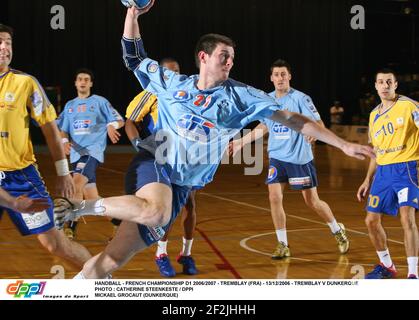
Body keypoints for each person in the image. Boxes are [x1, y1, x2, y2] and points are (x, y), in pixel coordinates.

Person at [54, 2, 373, 279]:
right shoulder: (172, 83)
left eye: (233, 57)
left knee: (116, 257)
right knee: (156, 213)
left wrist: (341, 144)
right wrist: (132, 12)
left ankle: (77, 286)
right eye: (224, 56)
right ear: (204, 57)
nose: (230, 62)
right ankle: (79, 207)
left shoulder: (241, 96)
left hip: (183, 185)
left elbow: (292, 119)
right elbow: (134, 55)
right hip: (157, 160)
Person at [229, 59, 349, 259]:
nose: (280, 78)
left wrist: (316, 132)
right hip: (277, 156)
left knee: (312, 201)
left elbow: (317, 120)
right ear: (271, 78)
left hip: (299, 157)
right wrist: (242, 142)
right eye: (276, 74)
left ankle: (338, 230)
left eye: (283, 74)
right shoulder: (266, 100)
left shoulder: (301, 98)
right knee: (274, 198)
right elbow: (264, 126)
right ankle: (283, 244)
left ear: (289, 76)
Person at [0, 24, 91, 267]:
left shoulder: (24, 83)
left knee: (56, 245)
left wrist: (63, 173)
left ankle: (102, 284)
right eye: (0, 42)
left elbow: (50, 129)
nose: (4, 48)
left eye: (8, 42)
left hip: (20, 178)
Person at [125, 57, 198, 277]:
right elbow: (130, 121)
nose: (173, 75)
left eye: (176, 71)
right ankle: (161, 254)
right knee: (167, 210)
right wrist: (139, 144)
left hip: (186, 156)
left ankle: (186, 254)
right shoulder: (150, 92)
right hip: (162, 156)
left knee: (191, 206)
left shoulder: (188, 93)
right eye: (168, 72)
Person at [357, 68, 419, 279]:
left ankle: (413, 273)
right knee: (371, 221)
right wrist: (367, 179)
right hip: (382, 172)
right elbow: (375, 151)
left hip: (406, 168)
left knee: (407, 219)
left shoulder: (409, 106)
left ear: (395, 85)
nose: (385, 85)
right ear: (375, 86)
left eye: (389, 82)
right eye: (381, 82)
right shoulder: (374, 115)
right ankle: (387, 266)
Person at [56, 69, 124, 240]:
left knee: (75, 186)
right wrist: (64, 142)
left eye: (87, 79)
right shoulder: (70, 106)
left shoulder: (100, 102)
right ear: (75, 83)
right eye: (80, 79)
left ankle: (70, 227)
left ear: (91, 83)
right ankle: (119, 223)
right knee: (92, 198)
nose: (83, 82)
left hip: (91, 153)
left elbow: (120, 120)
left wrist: (111, 126)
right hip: (75, 155)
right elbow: (62, 130)